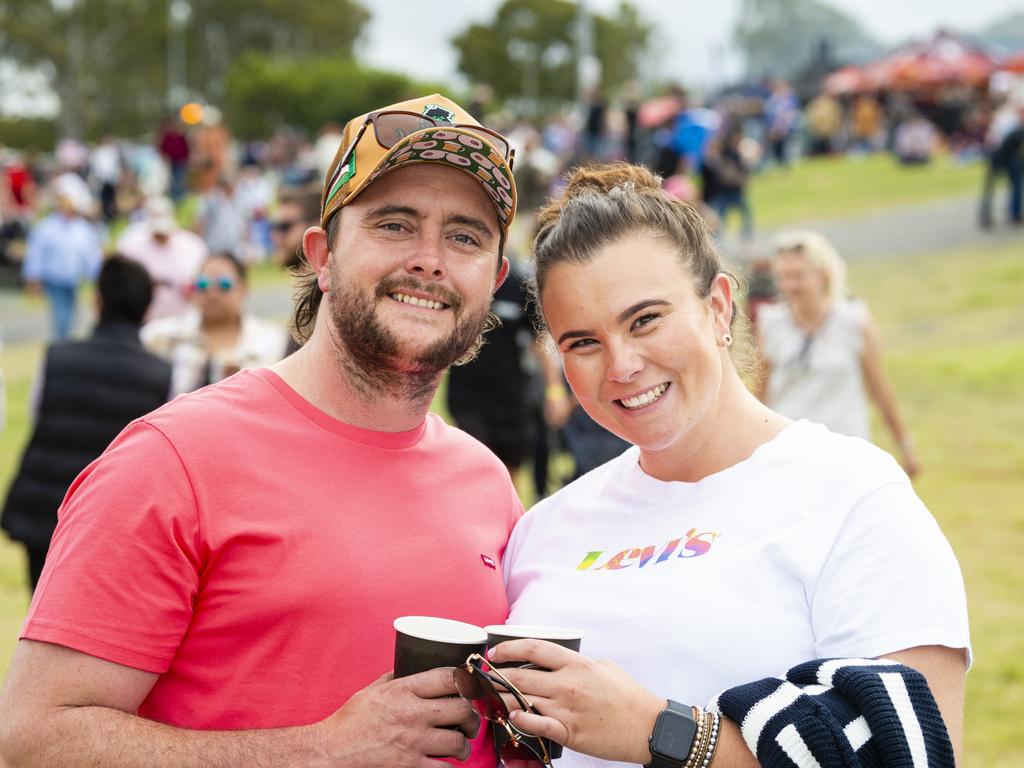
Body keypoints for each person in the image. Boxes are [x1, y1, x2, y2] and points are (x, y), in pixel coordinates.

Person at [0, 93, 523, 768]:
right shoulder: (172, 462)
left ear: (495, 278)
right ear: (323, 255)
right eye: (395, 224)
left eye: (465, 236)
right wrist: (324, 750)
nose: (430, 259)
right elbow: (33, 740)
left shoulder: (486, 482)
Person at [490, 164, 968, 768]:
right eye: (582, 342)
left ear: (718, 308)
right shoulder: (544, 530)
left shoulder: (855, 495)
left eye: (646, 320)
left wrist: (658, 730)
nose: (622, 365)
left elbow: (915, 752)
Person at [1, 257, 172, 591]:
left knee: (40, 607)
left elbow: (39, 415)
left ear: (97, 301)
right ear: (147, 310)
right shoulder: (160, 374)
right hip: (113, 518)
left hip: (45, 505)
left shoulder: (57, 356)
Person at [756, 229, 920, 477]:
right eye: (784, 277)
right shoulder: (771, 325)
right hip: (791, 452)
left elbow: (879, 388)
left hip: (846, 450)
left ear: (822, 274)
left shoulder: (854, 322)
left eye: (798, 275)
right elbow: (759, 394)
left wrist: (904, 444)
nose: (790, 285)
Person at [141, 252, 288, 396]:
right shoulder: (160, 335)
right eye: (203, 284)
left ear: (244, 289)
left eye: (224, 285)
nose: (212, 293)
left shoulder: (272, 340)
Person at [22, 189, 102, 339]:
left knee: (71, 312)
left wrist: (96, 276)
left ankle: (64, 338)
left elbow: (90, 254)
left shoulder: (82, 228)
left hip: (73, 279)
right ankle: (61, 340)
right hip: (54, 278)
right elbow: (36, 254)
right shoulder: (46, 227)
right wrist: (33, 277)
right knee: (61, 313)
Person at [116, 195, 208, 320]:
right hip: (144, 319)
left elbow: (204, 281)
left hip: (183, 318)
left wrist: (192, 288)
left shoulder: (193, 246)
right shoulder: (131, 244)